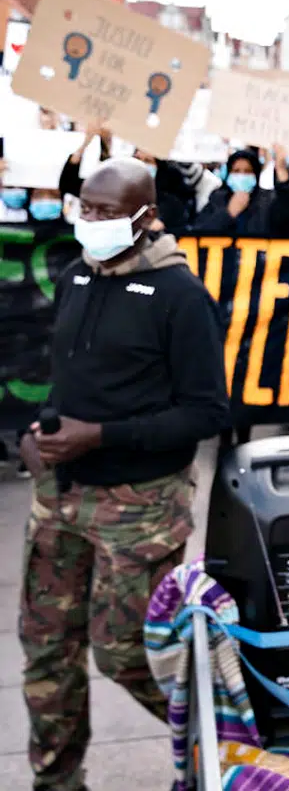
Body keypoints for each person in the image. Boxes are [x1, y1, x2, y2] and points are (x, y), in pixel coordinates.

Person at [17, 157, 230, 790]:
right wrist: (41, 430)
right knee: (46, 648)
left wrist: (103, 437)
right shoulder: (77, 277)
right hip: (59, 497)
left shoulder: (180, 296)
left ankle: (218, 749)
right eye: (86, 207)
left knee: (129, 653)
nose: (91, 221)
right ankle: (56, 780)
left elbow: (207, 411)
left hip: (139, 508)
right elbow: (74, 379)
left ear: (147, 217)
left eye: (107, 212)